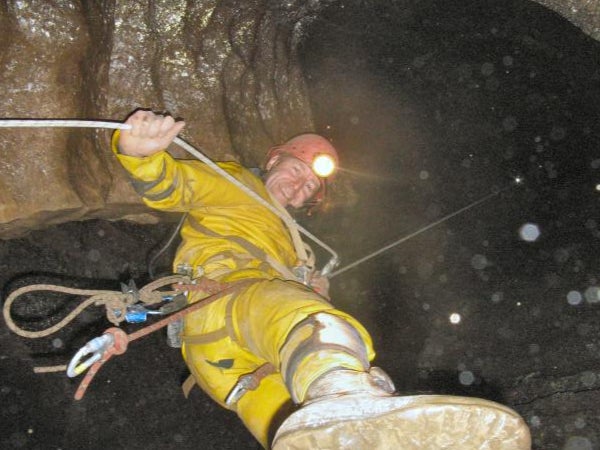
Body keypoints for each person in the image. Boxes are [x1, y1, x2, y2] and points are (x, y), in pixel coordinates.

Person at [113, 109, 531, 449]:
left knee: (303, 434)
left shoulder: (296, 247)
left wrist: (311, 287)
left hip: (227, 369)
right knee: (319, 325)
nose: (298, 191)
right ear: (275, 159)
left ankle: (344, 412)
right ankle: (345, 391)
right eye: (296, 174)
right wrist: (139, 152)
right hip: (225, 305)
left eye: (308, 188)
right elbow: (172, 185)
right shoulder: (234, 183)